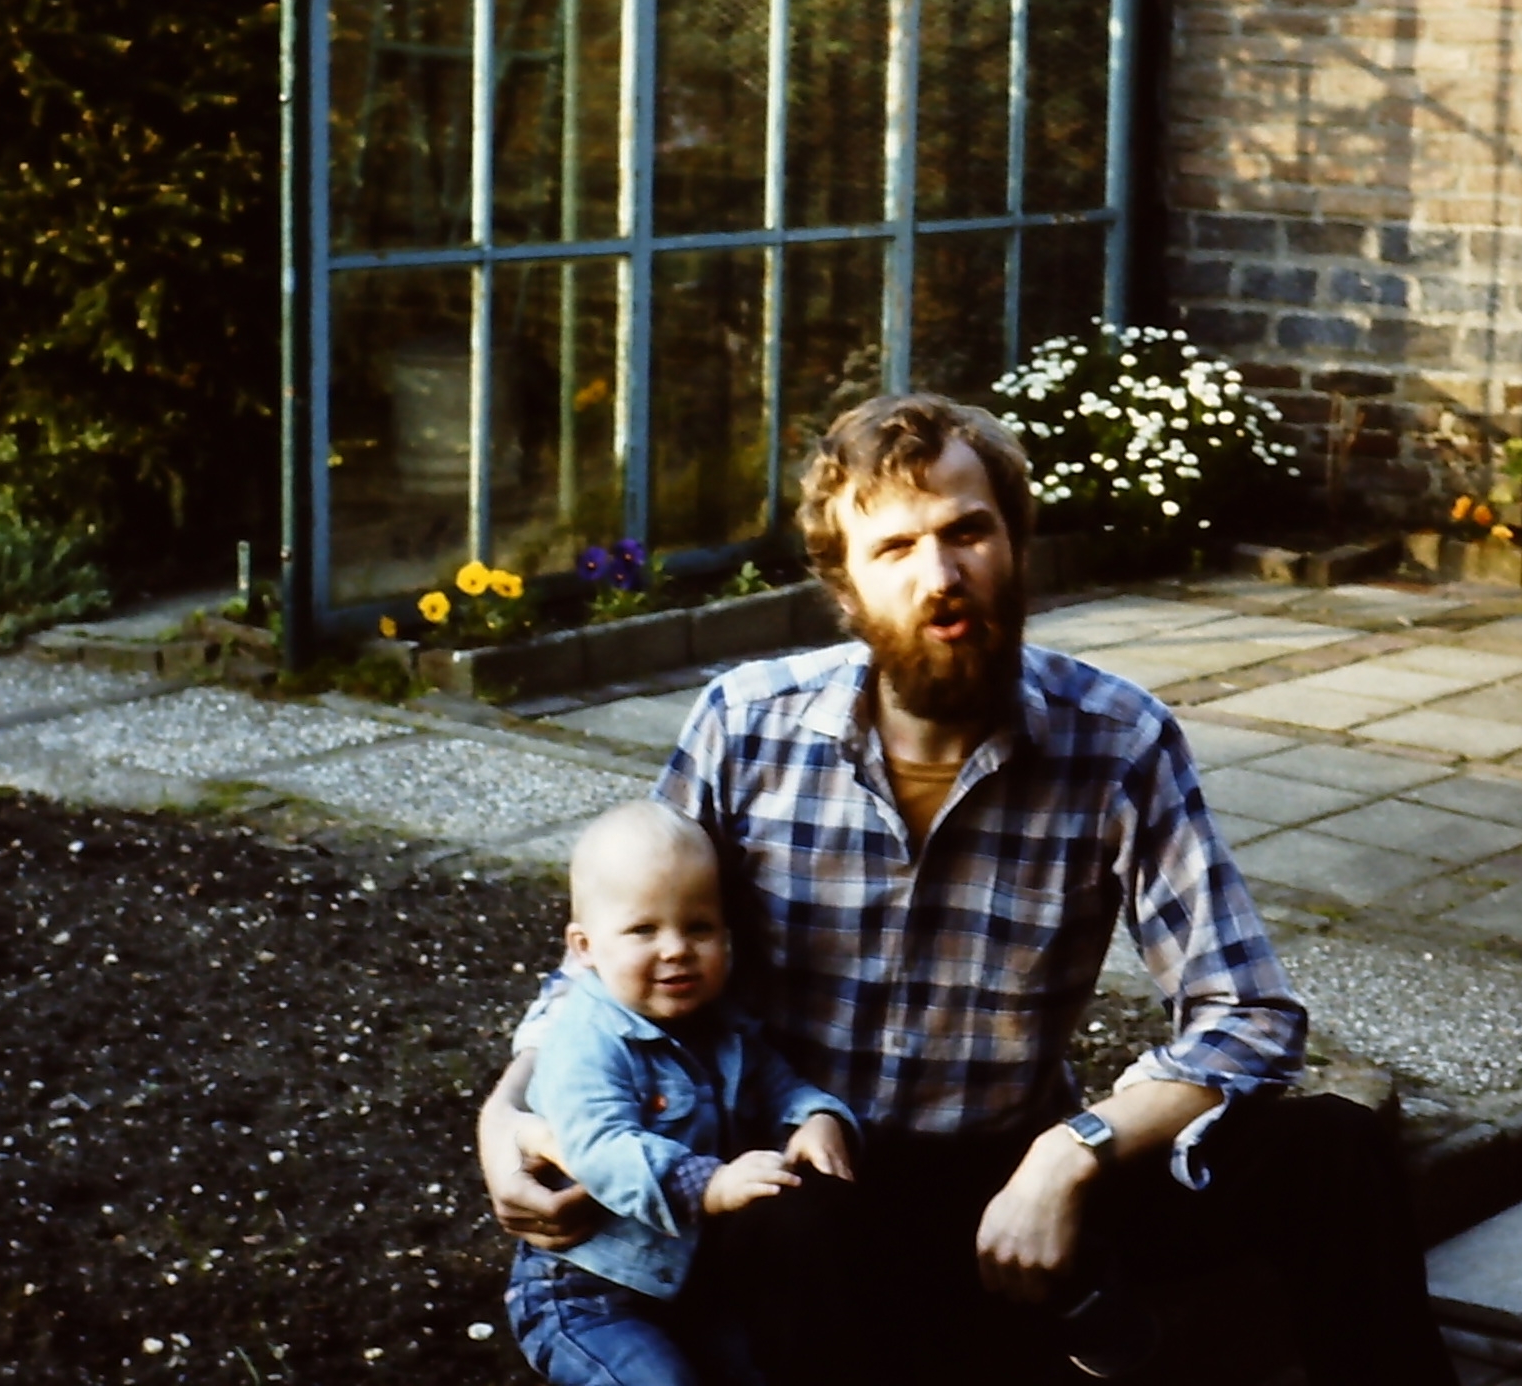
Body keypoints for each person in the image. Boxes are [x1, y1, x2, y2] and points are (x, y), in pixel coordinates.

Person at [481, 393, 1455, 1386]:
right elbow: (615, 947)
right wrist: (505, 1113)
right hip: (816, 1180)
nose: (941, 577)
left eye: (967, 532)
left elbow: (1247, 1012)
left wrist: (1069, 1155)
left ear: (1016, 542)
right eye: (895, 549)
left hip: (1009, 1173)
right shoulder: (746, 726)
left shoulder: (1117, 738)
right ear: (844, 586)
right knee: (796, 1226)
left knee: (1331, 1148)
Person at [504, 801, 857, 1386]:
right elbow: (599, 1147)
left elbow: (780, 1086)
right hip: (589, 1292)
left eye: (699, 927)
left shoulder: (723, 1027)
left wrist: (817, 1117)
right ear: (585, 947)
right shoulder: (585, 1041)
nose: (675, 949)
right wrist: (710, 1183)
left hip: (691, 1283)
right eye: (644, 929)